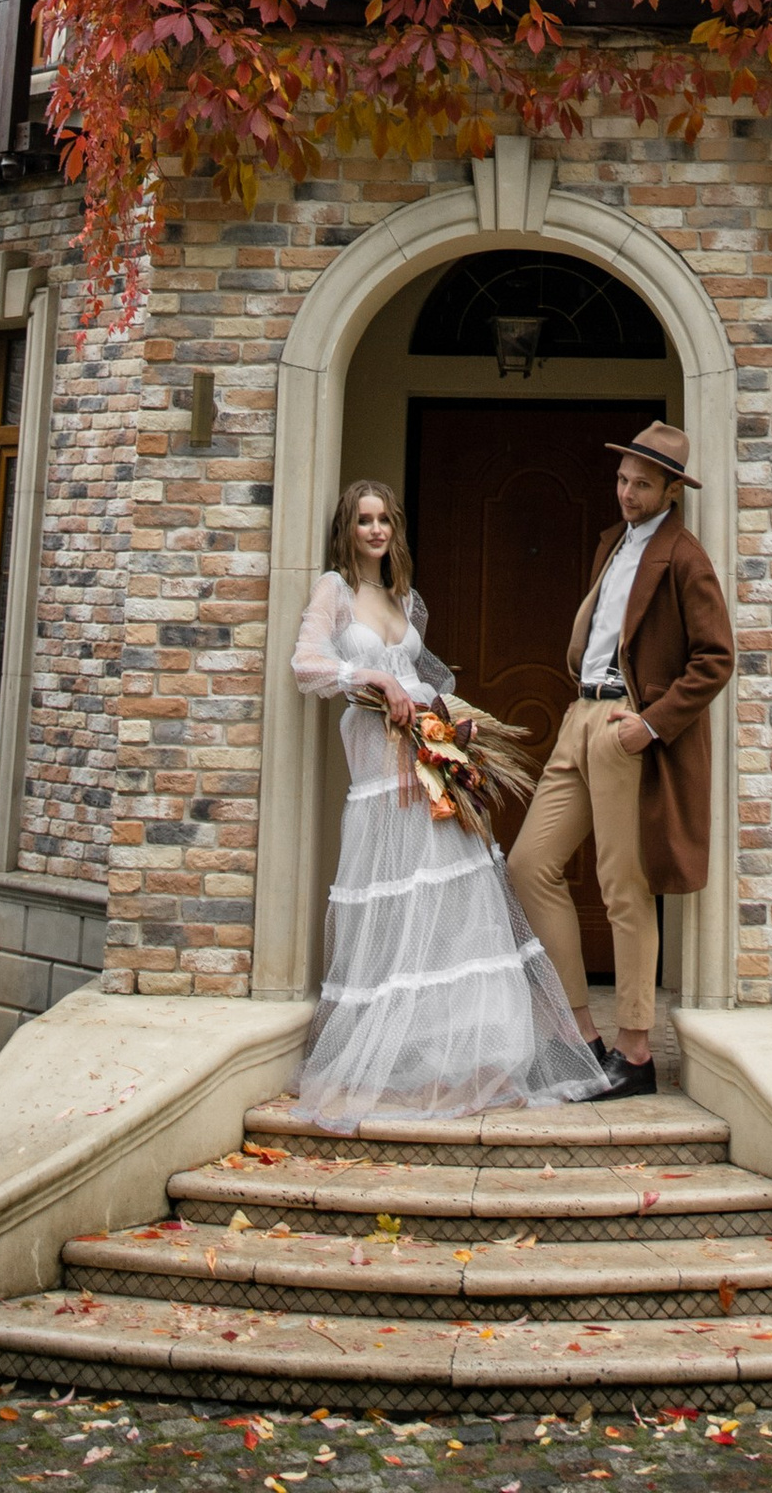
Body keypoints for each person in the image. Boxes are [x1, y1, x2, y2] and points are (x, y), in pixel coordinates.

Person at [287, 474, 609, 1126]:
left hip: (431, 762)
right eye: (363, 520)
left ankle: (474, 1053)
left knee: (457, 898)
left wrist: (439, 709)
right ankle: (401, 1055)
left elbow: (431, 674)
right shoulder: (335, 591)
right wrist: (371, 675)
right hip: (380, 779)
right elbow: (306, 665)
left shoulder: (406, 599)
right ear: (346, 529)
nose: (375, 531)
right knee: (401, 899)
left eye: (384, 520)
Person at [506, 419, 734, 1097]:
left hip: (622, 725)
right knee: (528, 865)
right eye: (622, 480)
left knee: (621, 889)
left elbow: (716, 659)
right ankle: (582, 1036)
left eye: (641, 484)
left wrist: (650, 725)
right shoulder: (613, 543)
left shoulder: (685, 556)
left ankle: (634, 1054)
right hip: (579, 712)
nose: (626, 492)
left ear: (670, 491)